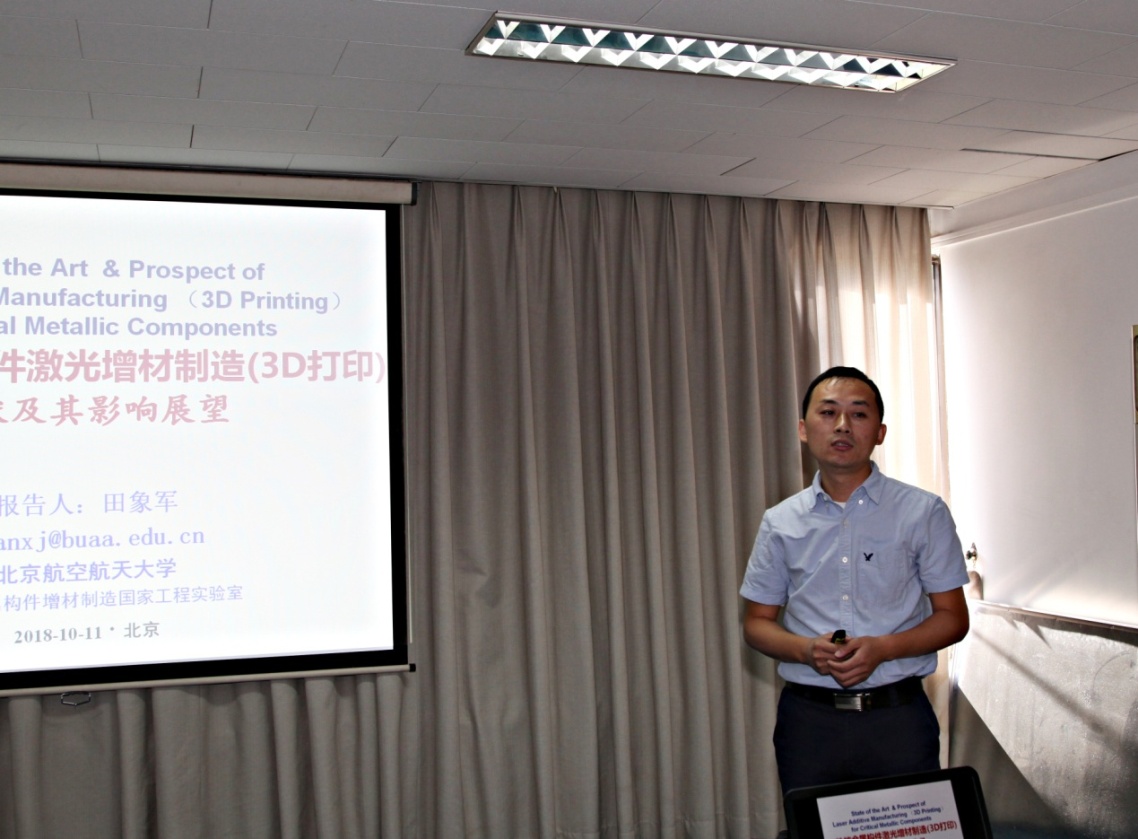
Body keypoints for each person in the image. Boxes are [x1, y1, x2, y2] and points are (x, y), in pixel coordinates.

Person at [740, 366, 970, 800]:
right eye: (828, 412)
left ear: (879, 433)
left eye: (859, 414)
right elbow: (756, 623)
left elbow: (953, 618)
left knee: (906, 829)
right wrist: (806, 650)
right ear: (804, 429)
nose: (843, 425)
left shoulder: (923, 512)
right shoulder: (780, 521)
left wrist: (884, 648)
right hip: (809, 723)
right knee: (814, 828)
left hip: (898, 718)